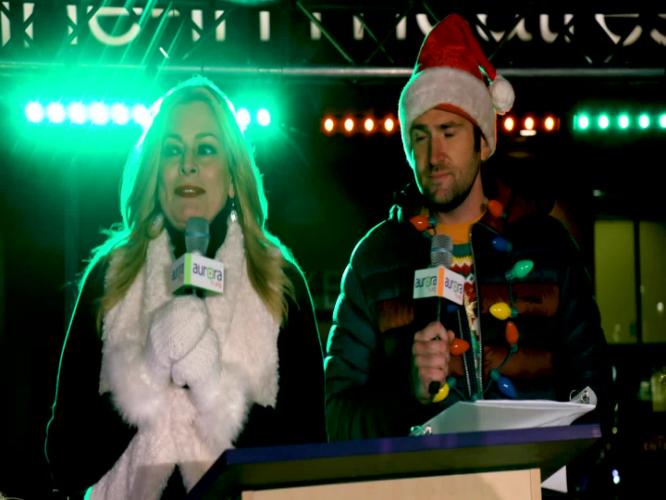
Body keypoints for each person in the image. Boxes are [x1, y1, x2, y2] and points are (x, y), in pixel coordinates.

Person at [325, 14, 612, 442]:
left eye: (449, 132)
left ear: (483, 141)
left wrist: (555, 456)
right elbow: (336, 418)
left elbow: (595, 389)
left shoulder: (547, 245)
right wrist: (408, 395)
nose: (434, 155)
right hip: (424, 478)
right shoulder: (376, 259)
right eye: (420, 136)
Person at [45, 76, 326, 499]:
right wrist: (148, 373)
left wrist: (214, 389)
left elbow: (308, 460)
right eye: (173, 149)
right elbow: (65, 461)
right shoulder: (111, 278)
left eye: (206, 149)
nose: (188, 164)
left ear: (232, 176)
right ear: (155, 172)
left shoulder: (277, 282)